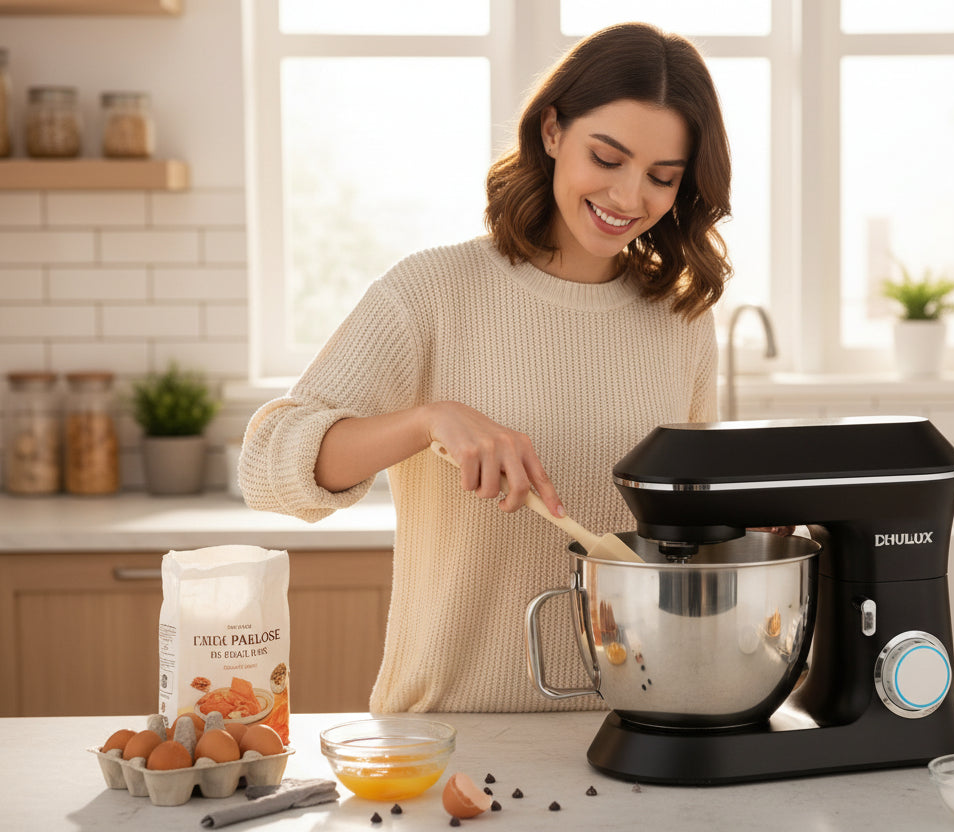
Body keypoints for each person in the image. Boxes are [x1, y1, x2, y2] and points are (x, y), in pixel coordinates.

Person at [239, 22, 731, 714]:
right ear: (553, 131)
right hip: (448, 732)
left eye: (661, 178)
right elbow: (266, 465)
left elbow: (697, 526)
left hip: (633, 727)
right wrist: (427, 421)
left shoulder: (681, 318)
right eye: (607, 158)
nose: (628, 197)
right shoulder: (432, 291)